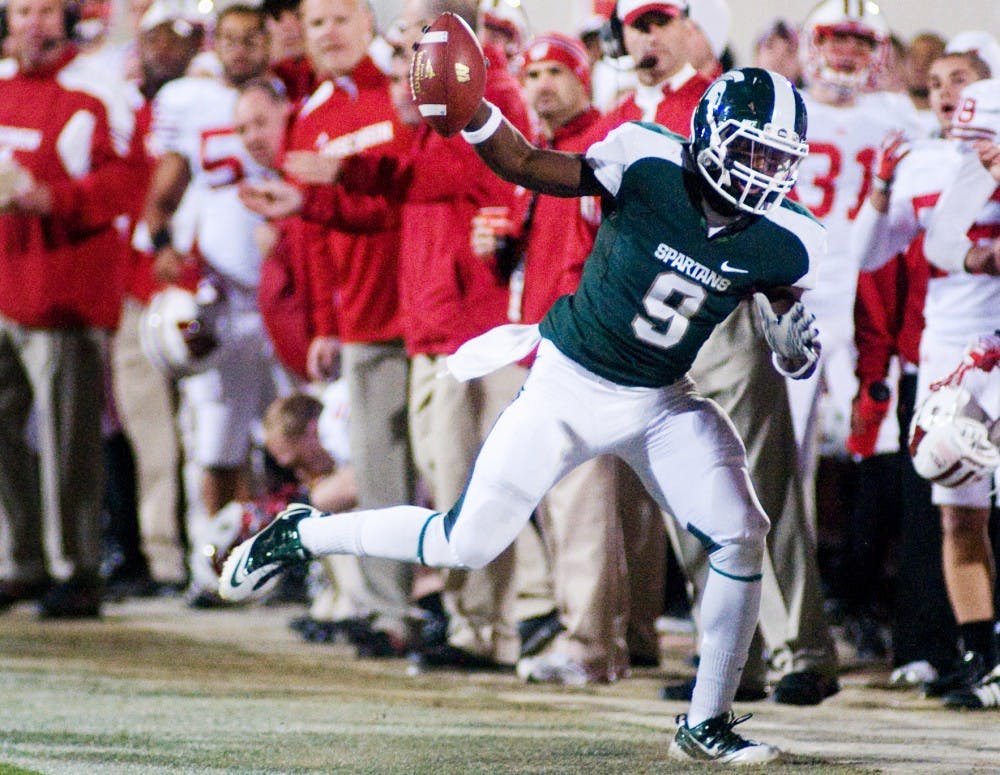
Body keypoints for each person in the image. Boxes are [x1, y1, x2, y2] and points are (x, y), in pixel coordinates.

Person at [222, 65, 824, 764]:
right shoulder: (648, 158)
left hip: (661, 398)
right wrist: (476, 113)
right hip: (568, 383)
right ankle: (307, 533)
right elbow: (530, 164)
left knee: (740, 531)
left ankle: (706, 721)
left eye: (775, 158)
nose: (760, 171)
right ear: (712, 134)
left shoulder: (790, 235)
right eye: (750, 149)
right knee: (465, 541)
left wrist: (790, 343)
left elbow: (784, 311)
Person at [142, 2, 291, 606]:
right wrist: (162, 246)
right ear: (214, 42)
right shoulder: (189, 101)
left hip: (287, 298)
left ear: (270, 41)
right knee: (218, 440)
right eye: (228, 40)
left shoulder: (292, 94)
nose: (240, 50)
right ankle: (221, 565)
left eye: (251, 39)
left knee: (298, 437)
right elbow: (164, 192)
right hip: (224, 300)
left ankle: (297, 566)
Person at [0, 0, 137, 617]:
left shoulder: (98, 89)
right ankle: (21, 557)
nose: (34, 22)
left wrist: (52, 199)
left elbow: (127, 182)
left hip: (64, 290)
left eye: (46, 11)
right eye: (24, 10)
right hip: (5, 285)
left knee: (68, 439)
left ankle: (77, 566)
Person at [105, 0, 205, 597]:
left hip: (201, 288)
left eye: (181, 38)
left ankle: (215, 555)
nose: (168, 48)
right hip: (137, 290)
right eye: (158, 38)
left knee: (211, 432)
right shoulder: (124, 111)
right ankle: (161, 553)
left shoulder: (207, 106)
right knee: (151, 434)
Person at [591, 0, 712, 138]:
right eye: (641, 26)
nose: (653, 38)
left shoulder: (715, 104)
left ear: (687, 27)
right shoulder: (610, 125)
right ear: (620, 39)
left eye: (663, 22)